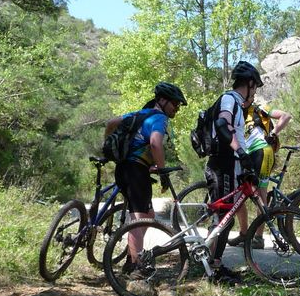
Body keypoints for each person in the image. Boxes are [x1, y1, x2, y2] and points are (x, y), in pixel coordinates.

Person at [105, 81, 187, 272]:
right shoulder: (159, 117)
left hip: (126, 168)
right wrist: (163, 170)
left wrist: (107, 146)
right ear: (162, 101)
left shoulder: (141, 114)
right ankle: (135, 265)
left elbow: (111, 123)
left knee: (147, 214)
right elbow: (155, 144)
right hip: (135, 171)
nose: (177, 108)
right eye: (175, 103)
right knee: (140, 217)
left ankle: (131, 256)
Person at [205, 60, 263, 284]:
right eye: (255, 87)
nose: (254, 93)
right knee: (224, 218)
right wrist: (241, 152)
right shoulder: (230, 99)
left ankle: (214, 265)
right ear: (249, 83)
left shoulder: (237, 103)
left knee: (226, 218)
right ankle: (212, 268)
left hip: (231, 165)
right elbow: (222, 124)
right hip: (223, 165)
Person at [229, 99, 292, 248]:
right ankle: (244, 234)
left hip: (262, 151)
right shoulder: (237, 112)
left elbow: (286, 116)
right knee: (239, 192)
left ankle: (258, 238)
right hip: (246, 154)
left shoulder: (259, 107)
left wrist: (273, 133)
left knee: (261, 195)